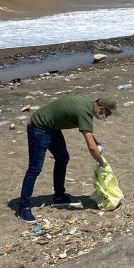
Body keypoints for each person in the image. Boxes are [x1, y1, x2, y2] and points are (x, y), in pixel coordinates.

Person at [17, 95, 117, 223]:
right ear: (101, 109)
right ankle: (23, 208)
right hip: (38, 128)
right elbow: (91, 147)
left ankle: (59, 197)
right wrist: (102, 163)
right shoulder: (84, 111)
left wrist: (97, 143)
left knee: (63, 158)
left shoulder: (87, 106)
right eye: (108, 113)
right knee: (35, 168)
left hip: (52, 128)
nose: (107, 117)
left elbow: (88, 133)